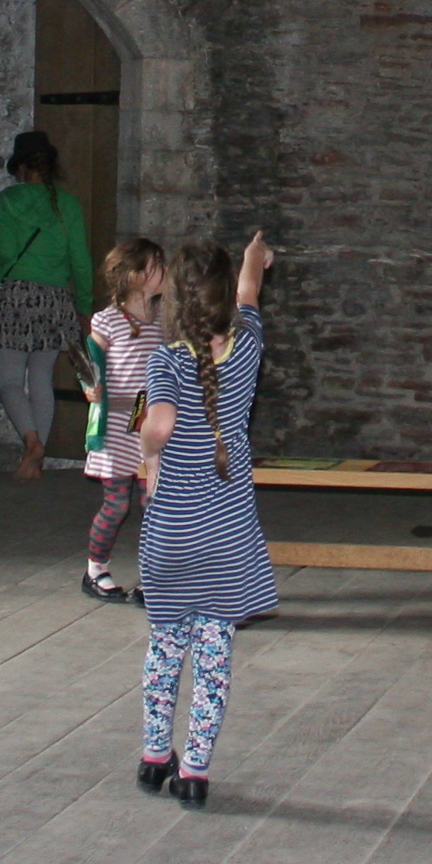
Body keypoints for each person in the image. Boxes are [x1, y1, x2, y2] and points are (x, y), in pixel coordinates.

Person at [134, 231, 278, 811]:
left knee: (164, 649)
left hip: (170, 538)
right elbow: (251, 295)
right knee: (214, 661)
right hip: (227, 539)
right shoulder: (247, 350)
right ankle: (194, 770)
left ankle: (152, 756)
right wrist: (254, 258)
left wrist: (146, 446)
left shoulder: (165, 360)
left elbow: (160, 426)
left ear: (176, 301)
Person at [0, 129, 93, 480]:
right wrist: (84, 305)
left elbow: (4, 251)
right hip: (56, 299)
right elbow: (80, 260)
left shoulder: (7, 201)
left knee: (8, 381)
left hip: (18, 296)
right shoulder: (68, 204)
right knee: (41, 379)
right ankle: (39, 457)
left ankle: (32, 441)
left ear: (18, 167)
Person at [80, 235, 165, 602]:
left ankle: (154, 576)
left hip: (149, 419)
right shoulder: (109, 319)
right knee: (117, 504)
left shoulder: (165, 318)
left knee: (154, 503)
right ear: (133, 275)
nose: (164, 272)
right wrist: (90, 386)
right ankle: (95, 568)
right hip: (117, 421)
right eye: (156, 266)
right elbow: (89, 363)